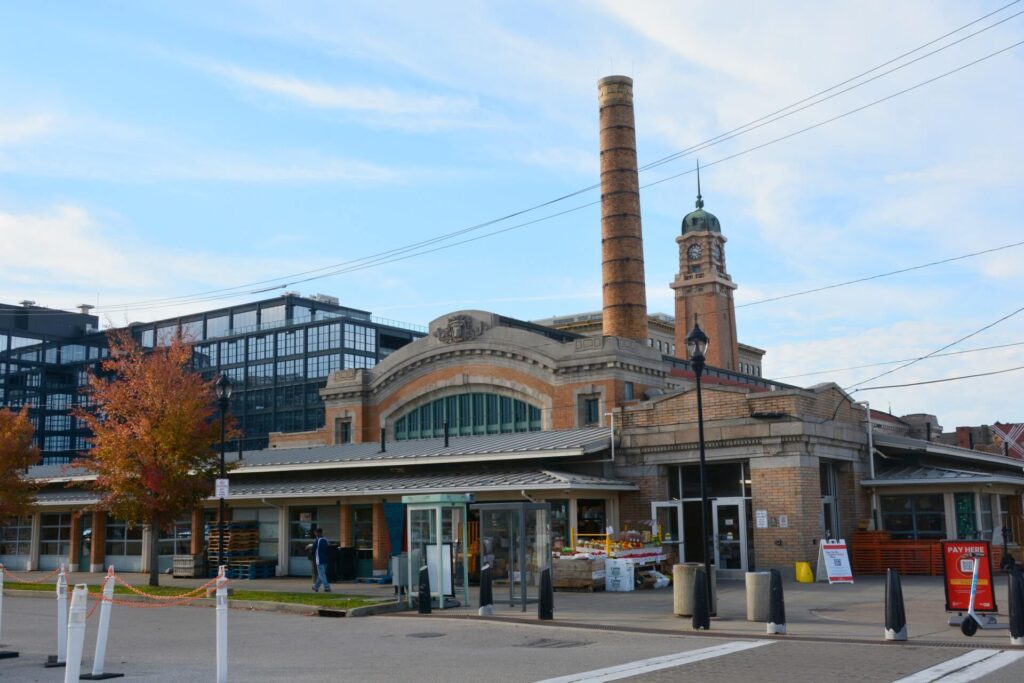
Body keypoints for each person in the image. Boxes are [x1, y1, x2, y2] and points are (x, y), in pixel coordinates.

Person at [311, 528, 331, 593]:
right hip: (326, 559)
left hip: (319, 560)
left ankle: (327, 587)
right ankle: (316, 587)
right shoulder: (326, 540)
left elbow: (313, 550)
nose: (315, 534)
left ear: (318, 533)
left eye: (315, 533)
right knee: (321, 574)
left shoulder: (317, 541)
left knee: (322, 574)